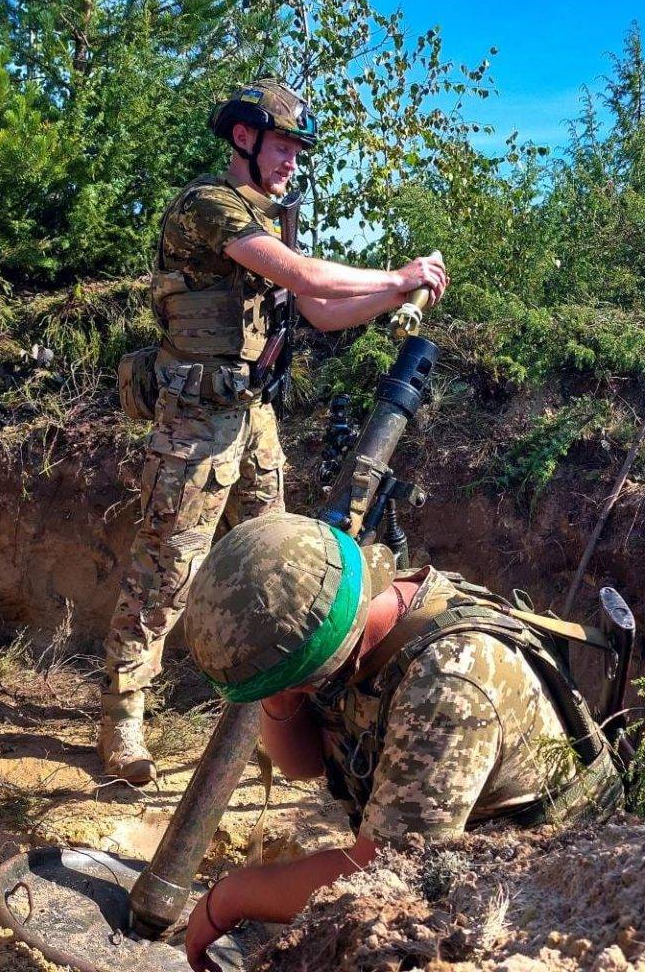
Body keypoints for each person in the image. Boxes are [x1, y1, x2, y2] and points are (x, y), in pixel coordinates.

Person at [100, 79, 449, 783]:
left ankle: (270, 721)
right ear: (243, 139)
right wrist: (398, 271)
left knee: (280, 570)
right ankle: (122, 719)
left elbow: (319, 309)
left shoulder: (266, 218)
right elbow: (302, 274)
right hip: (196, 421)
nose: (291, 160)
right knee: (167, 569)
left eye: (297, 149)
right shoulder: (209, 207)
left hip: (252, 418)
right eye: (283, 145)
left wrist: (395, 296)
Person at [177, 513, 623, 970]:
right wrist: (279, 688)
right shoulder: (359, 610)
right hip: (455, 856)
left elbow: (385, 873)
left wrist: (230, 898)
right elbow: (303, 764)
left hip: (540, 898)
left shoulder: (445, 685)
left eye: (296, 682)